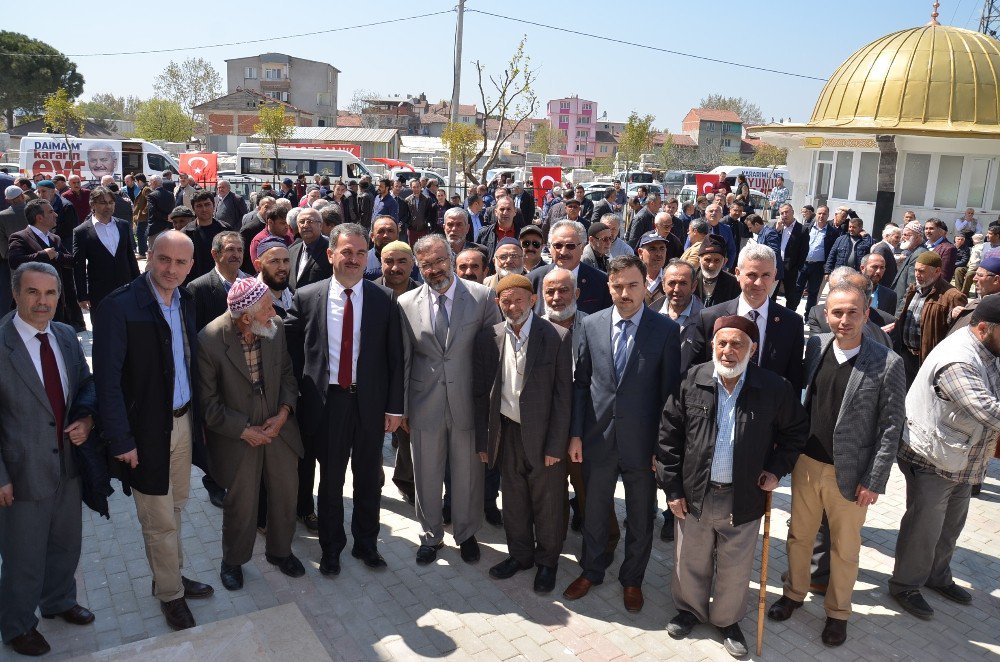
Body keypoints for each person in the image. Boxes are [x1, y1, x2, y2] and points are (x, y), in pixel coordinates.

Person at [659, 315, 807, 658]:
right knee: (690, 558)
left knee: (735, 565)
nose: (728, 351)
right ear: (713, 345)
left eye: (737, 344)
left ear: (751, 349)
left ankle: (726, 620)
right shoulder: (692, 380)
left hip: (743, 495)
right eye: (722, 343)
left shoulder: (774, 387)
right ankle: (690, 610)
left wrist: (776, 470)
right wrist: (672, 489)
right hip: (695, 491)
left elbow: (796, 432)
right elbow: (669, 436)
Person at [92, 231, 214, 631]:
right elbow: (106, 382)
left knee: (176, 507)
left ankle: (170, 575)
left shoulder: (186, 300)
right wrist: (121, 440)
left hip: (182, 423)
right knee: (158, 519)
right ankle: (170, 594)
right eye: (163, 260)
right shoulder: (119, 305)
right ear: (149, 257)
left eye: (180, 263)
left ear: (191, 265)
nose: (171, 269)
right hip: (145, 434)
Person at [562, 255, 681, 613]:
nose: (625, 293)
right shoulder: (591, 324)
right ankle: (592, 571)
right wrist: (576, 435)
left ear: (646, 286)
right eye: (617, 286)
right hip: (597, 440)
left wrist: (662, 448)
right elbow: (581, 383)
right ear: (608, 287)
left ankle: (632, 580)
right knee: (594, 511)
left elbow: (670, 396)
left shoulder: (664, 330)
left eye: (632, 285)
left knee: (641, 517)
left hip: (642, 446)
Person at [0, 263, 98, 657]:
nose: (43, 302)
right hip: (21, 472)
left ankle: (58, 600)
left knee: (65, 542)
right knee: (23, 553)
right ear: (15, 294)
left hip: (67, 462)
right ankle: (16, 624)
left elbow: (86, 383)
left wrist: (87, 419)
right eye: (33, 292)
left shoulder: (64, 335)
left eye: (51, 293)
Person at [889, 296, 1000, 620]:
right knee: (924, 527)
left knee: (951, 525)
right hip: (932, 458)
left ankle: (937, 576)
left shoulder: (988, 348)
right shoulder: (959, 360)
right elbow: (988, 411)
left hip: (962, 459)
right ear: (983, 328)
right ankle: (905, 585)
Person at [397, 234, 501, 565]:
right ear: (418, 265)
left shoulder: (482, 297)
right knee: (426, 473)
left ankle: (467, 533)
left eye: (440, 260)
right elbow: (404, 359)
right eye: (426, 264)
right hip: (424, 403)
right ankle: (430, 535)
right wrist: (401, 410)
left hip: (468, 403)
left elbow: (492, 356)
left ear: (451, 257)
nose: (435, 269)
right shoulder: (406, 302)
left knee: (469, 473)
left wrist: (490, 407)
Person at [198, 278, 305, 590]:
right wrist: (244, 431)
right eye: (267, 308)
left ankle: (280, 552)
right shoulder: (209, 340)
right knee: (241, 502)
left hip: (277, 423)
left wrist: (284, 413)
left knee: (286, 491)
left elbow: (287, 374)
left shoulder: (275, 328)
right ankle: (233, 560)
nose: (274, 312)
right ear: (245, 318)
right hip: (237, 431)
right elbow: (208, 405)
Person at [474, 275, 572, 594]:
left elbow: (563, 397)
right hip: (506, 431)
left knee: (548, 502)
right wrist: (484, 441)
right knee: (513, 499)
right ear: (497, 303)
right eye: (506, 300)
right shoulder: (490, 336)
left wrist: (557, 444)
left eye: (519, 299)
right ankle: (520, 555)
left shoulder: (556, 335)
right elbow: (482, 393)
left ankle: (547, 562)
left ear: (533, 301)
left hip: (544, 436)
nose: (513, 306)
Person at [684, 243, 805, 390]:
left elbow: (794, 380)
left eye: (766, 275)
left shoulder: (792, 323)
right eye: (752, 275)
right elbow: (696, 370)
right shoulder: (710, 318)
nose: (759, 283)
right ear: (737, 273)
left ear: (774, 275)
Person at [891, 251, 968, 385]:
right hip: (906, 355)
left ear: (937, 271)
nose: (917, 275)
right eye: (915, 270)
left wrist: (952, 317)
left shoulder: (953, 296)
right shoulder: (914, 290)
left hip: (927, 360)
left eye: (922, 271)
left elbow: (958, 334)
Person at [72, 186, 140, 316]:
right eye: (103, 203)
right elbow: (78, 266)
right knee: (103, 329)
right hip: (99, 291)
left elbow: (130, 257)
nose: (108, 206)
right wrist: (82, 295)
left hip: (126, 287)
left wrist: (138, 284)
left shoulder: (123, 225)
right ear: (93, 204)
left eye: (111, 202)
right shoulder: (81, 231)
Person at [8, 199, 75, 325]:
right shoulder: (20, 237)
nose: (56, 215)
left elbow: (71, 261)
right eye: (51, 212)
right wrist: (44, 255)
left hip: (56, 300)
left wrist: (56, 255)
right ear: (39, 217)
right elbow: (15, 261)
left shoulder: (55, 238)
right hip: (32, 301)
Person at [529, 220, 612, 315]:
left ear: (582, 248)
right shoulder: (534, 280)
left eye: (570, 246)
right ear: (549, 247)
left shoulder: (601, 282)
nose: (563, 252)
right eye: (558, 245)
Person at [807, 267, 893, 346]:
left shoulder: (888, 323)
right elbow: (816, 348)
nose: (844, 321)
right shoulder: (817, 313)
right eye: (837, 312)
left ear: (868, 302)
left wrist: (877, 335)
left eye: (852, 312)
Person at [187, 232, 247, 333]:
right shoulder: (198, 288)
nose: (236, 255)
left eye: (240, 250)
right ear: (215, 254)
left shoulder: (253, 282)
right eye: (230, 249)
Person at [798, 205, 840, 314]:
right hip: (803, 264)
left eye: (824, 214)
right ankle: (791, 313)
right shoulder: (807, 227)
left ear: (828, 215)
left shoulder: (833, 232)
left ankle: (808, 316)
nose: (821, 216)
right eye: (819, 213)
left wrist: (828, 269)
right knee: (797, 290)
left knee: (813, 293)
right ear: (815, 214)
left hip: (818, 267)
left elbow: (833, 252)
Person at [181, 191, 226, 285]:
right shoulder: (185, 234)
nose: (204, 209)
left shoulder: (225, 230)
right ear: (193, 208)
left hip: (221, 282)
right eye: (199, 206)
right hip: (193, 283)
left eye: (207, 204)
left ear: (214, 205)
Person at [949, 258, 1000, 332]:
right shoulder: (975, 302)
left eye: (980, 275)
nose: (974, 279)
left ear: (996, 280)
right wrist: (952, 315)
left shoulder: (996, 312)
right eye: (975, 274)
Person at [288, 208, 331, 292]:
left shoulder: (331, 250)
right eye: (302, 222)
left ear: (320, 225)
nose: (305, 225)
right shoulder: (292, 250)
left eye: (310, 221)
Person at [693, 235, 741, 310]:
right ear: (699, 260)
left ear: (724, 262)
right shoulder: (690, 279)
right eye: (707, 260)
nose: (711, 265)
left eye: (717, 260)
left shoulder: (732, 283)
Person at [891, 222, 929, 314]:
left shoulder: (919, 254)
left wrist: (899, 314)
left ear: (918, 236)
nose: (903, 237)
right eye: (903, 234)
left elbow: (911, 288)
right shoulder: (912, 251)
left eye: (907, 235)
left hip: (902, 308)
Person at [254, 238, 293, 317]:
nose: (282, 267)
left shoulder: (292, 293)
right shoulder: (250, 300)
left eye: (286, 261)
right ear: (258, 265)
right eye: (274, 261)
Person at [476, 196, 520, 262]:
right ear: (496, 212)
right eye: (502, 209)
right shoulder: (484, 233)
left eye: (509, 209)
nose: (505, 213)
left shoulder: (522, 234)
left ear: (515, 212)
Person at [745, 213, 784, 281]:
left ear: (756, 224)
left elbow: (774, 251)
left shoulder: (769, 233)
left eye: (750, 227)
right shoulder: (761, 233)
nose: (750, 231)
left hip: (772, 273)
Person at [364, 215, 401, 280]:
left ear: (397, 235)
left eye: (390, 231)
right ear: (372, 236)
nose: (386, 235)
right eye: (381, 231)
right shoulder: (362, 261)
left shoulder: (411, 262)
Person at [145, 175, 176, 248]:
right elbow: (173, 209)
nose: (149, 184)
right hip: (168, 227)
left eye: (150, 182)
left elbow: (152, 211)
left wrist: (165, 217)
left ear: (154, 182)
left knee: (153, 253)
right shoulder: (170, 194)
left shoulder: (151, 195)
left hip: (155, 228)